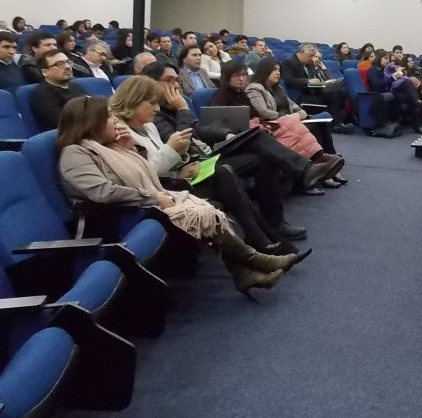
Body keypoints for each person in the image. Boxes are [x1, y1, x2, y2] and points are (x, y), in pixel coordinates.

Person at [58, 95, 300, 297]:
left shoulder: (111, 147)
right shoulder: (75, 153)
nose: (115, 122)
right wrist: (154, 198)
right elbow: (104, 192)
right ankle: (254, 260)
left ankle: (246, 269)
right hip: (116, 217)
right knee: (203, 209)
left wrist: (130, 148)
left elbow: (142, 173)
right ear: (92, 123)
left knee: (208, 204)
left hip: (138, 205)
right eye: (108, 118)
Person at [138, 65, 318, 243]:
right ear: (150, 83)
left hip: (204, 157)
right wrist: (183, 109)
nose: (176, 85)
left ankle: (277, 219)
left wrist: (226, 134)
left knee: (261, 150)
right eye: (169, 81)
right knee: (255, 143)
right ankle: (303, 171)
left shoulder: (171, 106)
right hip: (189, 169)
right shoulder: (154, 114)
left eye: (177, 80)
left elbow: (198, 129)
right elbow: (180, 142)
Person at [210, 61, 344, 190]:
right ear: (227, 77)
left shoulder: (243, 94)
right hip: (237, 137)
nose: (241, 79)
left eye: (244, 75)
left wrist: (262, 122)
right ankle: (311, 167)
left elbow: (256, 114)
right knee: (289, 125)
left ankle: (319, 161)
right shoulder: (221, 95)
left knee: (309, 124)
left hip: (253, 130)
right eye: (236, 75)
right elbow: (219, 123)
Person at [247, 58, 344, 183]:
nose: (278, 73)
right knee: (313, 127)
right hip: (274, 123)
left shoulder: (278, 88)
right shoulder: (254, 88)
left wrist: (300, 111)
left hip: (289, 120)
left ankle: (329, 162)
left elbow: (292, 104)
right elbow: (264, 112)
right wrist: (291, 116)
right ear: (264, 71)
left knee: (321, 123)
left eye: (279, 70)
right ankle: (320, 162)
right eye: (274, 70)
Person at [280, 43, 352, 134]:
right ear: (302, 52)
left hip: (313, 91)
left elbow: (315, 78)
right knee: (333, 97)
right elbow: (288, 80)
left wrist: (318, 81)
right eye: (310, 55)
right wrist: (308, 81)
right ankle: (335, 125)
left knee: (336, 94)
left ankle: (337, 123)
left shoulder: (309, 63)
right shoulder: (289, 62)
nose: (312, 58)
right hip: (300, 95)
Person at [29, 49, 86, 131]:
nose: (67, 66)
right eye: (60, 64)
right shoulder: (42, 94)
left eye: (68, 62)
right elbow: (63, 123)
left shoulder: (76, 87)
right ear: (45, 72)